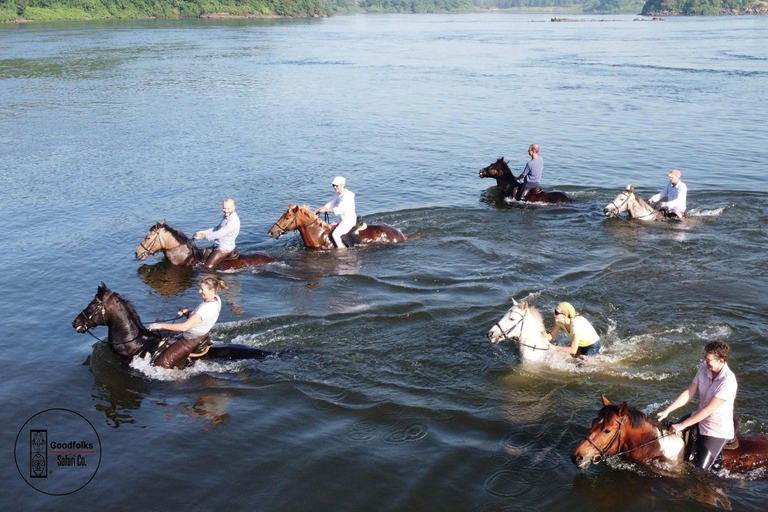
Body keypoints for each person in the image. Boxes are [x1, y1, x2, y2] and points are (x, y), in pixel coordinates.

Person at [657, 341, 737, 471]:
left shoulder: (728, 381)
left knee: (700, 470)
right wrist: (667, 410)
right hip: (698, 417)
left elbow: (707, 411)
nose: (704, 361)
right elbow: (689, 393)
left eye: (708, 359)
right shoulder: (703, 369)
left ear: (721, 361)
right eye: (704, 357)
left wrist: (683, 425)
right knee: (667, 433)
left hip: (716, 430)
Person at [148, 276, 223, 369]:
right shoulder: (216, 299)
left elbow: (184, 327)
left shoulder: (206, 309)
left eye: (202, 289)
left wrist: (159, 325)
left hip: (190, 340)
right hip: (201, 334)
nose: (199, 291)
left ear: (211, 290)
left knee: (161, 365)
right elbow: (201, 313)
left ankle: (178, 377)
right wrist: (188, 310)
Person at [195, 198, 240, 269]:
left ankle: (214, 279)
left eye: (228, 208)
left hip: (224, 247)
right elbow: (218, 228)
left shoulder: (233, 221)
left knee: (207, 267)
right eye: (224, 208)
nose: (226, 211)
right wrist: (204, 231)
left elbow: (219, 233)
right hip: (218, 244)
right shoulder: (226, 216)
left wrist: (204, 236)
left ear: (234, 208)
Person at [316, 176, 356, 249]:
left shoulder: (347, 197)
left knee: (335, 234)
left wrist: (326, 210)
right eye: (333, 185)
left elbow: (339, 209)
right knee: (329, 226)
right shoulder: (338, 194)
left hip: (349, 220)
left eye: (337, 186)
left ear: (342, 185)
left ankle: (342, 250)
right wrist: (319, 209)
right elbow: (332, 203)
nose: (335, 187)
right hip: (342, 219)